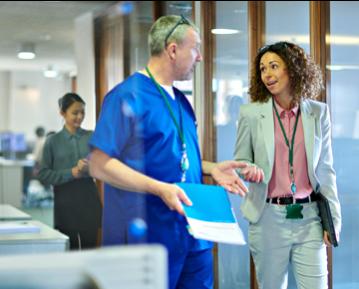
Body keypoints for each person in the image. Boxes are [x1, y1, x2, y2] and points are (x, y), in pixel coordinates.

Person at [89, 15, 251, 289]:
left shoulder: (181, 101)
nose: (199, 57)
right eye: (195, 48)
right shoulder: (126, 97)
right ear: (173, 49)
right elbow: (99, 164)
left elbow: (175, 156)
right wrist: (159, 188)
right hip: (149, 240)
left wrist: (210, 168)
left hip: (193, 235)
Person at [234, 41, 342, 289]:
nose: (268, 75)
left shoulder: (318, 112)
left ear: (293, 69)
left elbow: (325, 170)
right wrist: (247, 168)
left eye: (274, 66)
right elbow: (241, 160)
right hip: (268, 217)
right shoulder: (251, 113)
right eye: (262, 69)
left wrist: (333, 220)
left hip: (310, 218)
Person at [38, 93, 102, 250]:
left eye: (82, 112)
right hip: (65, 206)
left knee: (91, 252)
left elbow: (104, 168)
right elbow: (43, 175)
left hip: (89, 203)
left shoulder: (91, 137)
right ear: (62, 113)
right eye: (75, 112)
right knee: (69, 254)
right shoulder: (52, 141)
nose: (80, 117)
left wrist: (90, 169)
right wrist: (71, 173)